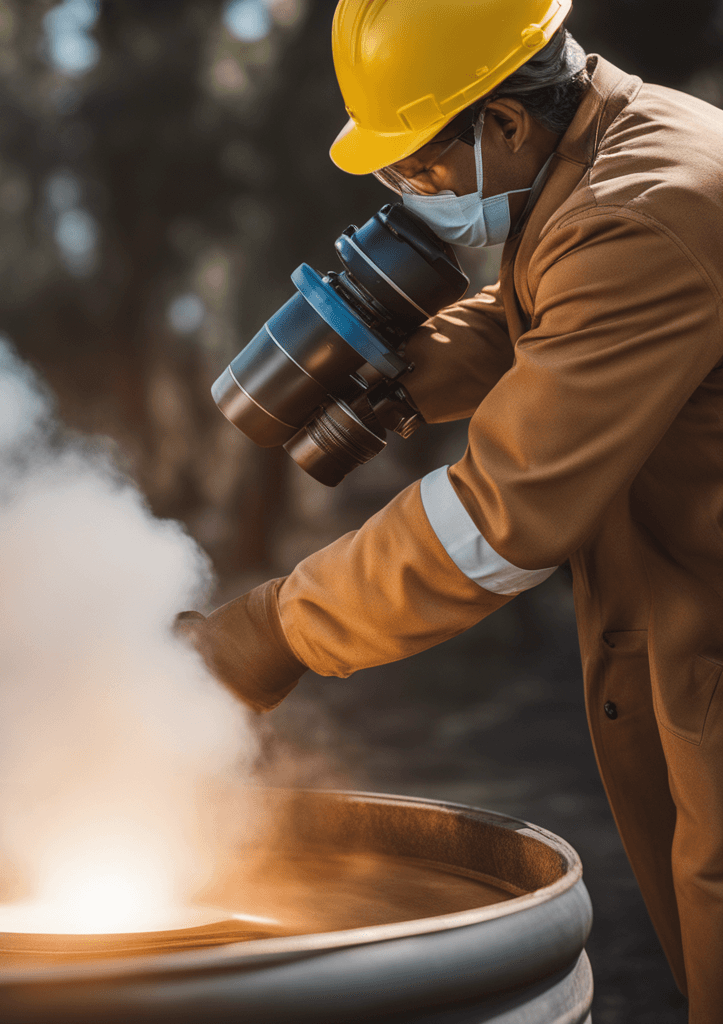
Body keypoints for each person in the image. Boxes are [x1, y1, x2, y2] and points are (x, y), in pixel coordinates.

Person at [176, 0, 723, 1020]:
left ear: (505, 121)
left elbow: (497, 523)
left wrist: (272, 630)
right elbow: (556, 314)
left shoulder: (641, 210)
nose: (413, 197)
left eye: (418, 169)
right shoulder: (607, 159)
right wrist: (400, 375)